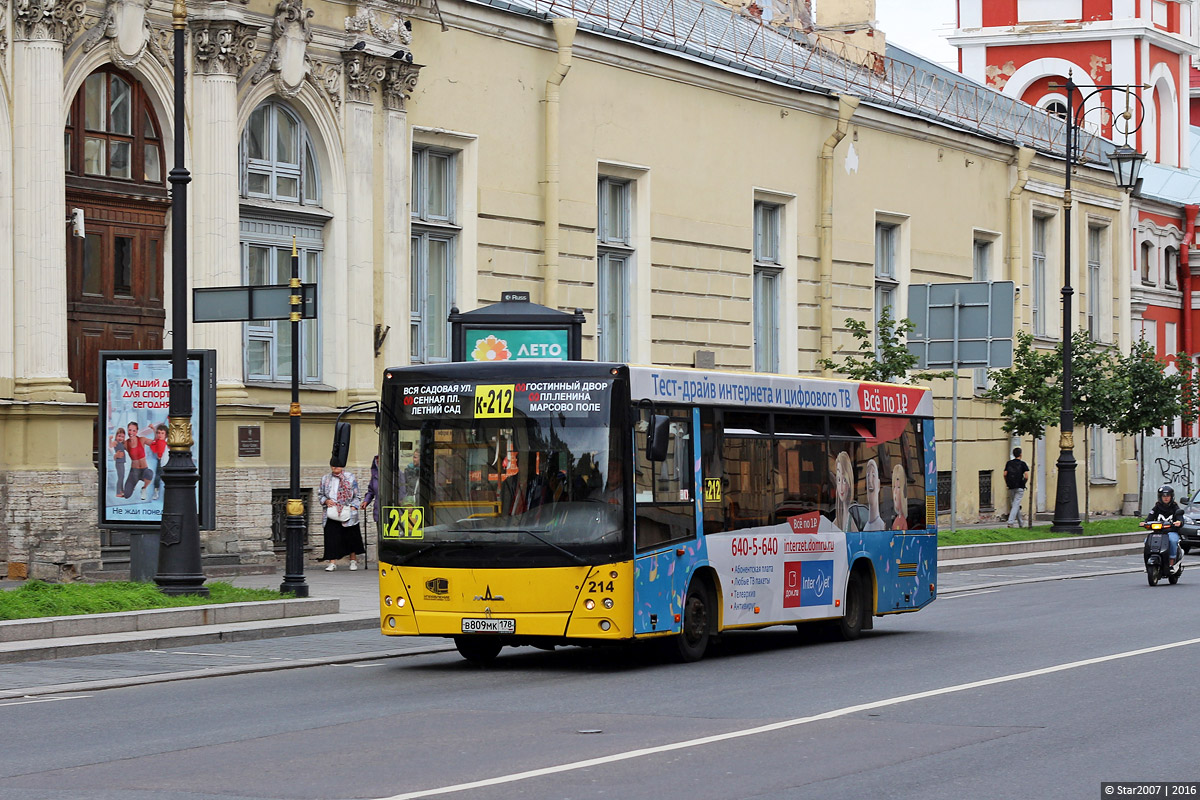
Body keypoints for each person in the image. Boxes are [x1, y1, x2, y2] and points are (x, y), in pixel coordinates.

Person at [319, 460, 365, 571]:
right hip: (332, 511)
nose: (335, 467)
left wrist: (354, 506)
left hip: (347, 510)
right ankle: (332, 562)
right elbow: (320, 494)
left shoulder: (350, 477)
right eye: (333, 465)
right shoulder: (325, 479)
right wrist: (326, 501)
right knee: (331, 537)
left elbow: (357, 495)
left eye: (338, 465)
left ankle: (353, 561)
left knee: (351, 537)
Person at [1145, 484, 1184, 563]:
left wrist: (1179, 522)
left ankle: (1172, 559)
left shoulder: (1175, 507)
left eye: (1168, 496)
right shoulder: (1157, 507)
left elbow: (1180, 518)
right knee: (1146, 541)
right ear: (1160, 497)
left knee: (1173, 540)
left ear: (1171, 497)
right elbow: (1150, 517)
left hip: (1171, 531)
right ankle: (1148, 558)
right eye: (1163, 496)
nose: (1166, 498)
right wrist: (1144, 523)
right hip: (1158, 532)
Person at [123, 421, 154, 502]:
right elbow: (116, 447)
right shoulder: (125, 443)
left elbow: (154, 443)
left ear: (136, 432)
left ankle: (144, 488)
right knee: (126, 495)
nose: (131, 432)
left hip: (144, 470)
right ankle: (132, 485)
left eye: (133, 431)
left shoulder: (142, 439)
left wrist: (154, 429)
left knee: (149, 473)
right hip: (134, 471)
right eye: (129, 430)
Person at [1003, 446, 1030, 528]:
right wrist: (1023, 483)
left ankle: (1021, 523)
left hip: (1011, 486)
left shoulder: (1009, 463)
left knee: (1015, 504)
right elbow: (1026, 476)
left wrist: (1007, 482)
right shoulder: (1023, 464)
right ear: (1020, 454)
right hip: (1020, 487)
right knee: (1015, 504)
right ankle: (1010, 522)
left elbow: (1005, 474)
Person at [861, 459, 885, 531]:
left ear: (878, 484)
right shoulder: (866, 527)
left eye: (873, 475)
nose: (870, 481)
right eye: (868, 476)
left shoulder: (882, 526)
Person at [148, 423, 169, 501]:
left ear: (166, 435)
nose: (160, 435)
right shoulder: (158, 441)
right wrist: (154, 429)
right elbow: (155, 440)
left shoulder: (167, 442)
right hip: (160, 461)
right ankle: (156, 492)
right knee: (157, 477)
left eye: (162, 433)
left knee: (166, 478)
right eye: (159, 433)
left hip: (167, 461)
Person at [360, 455, 380, 533]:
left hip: (393, 511)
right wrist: (366, 501)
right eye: (377, 462)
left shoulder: (396, 474)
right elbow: (371, 491)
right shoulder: (375, 476)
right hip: (379, 510)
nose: (379, 464)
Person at [890, 463, 908, 531]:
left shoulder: (902, 520)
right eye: (894, 487)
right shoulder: (897, 519)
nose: (895, 492)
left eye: (898, 487)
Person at [110, 428, 127, 499]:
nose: (120, 438)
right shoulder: (116, 442)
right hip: (119, 462)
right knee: (120, 477)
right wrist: (110, 439)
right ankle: (118, 492)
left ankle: (122, 490)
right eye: (119, 436)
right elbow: (111, 446)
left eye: (122, 437)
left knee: (122, 476)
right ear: (116, 436)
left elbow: (126, 447)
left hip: (122, 462)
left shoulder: (122, 443)